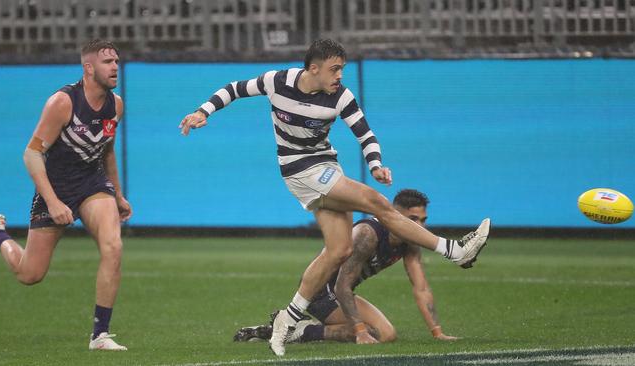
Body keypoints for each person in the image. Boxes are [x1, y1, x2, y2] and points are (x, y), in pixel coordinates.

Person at [179, 38, 490, 356]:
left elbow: (365, 134)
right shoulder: (278, 81)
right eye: (334, 69)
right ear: (313, 69)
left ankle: (289, 320)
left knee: (339, 250)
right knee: (378, 203)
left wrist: (376, 164)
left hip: (326, 165)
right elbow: (233, 89)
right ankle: (454, 251)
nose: (340, 75)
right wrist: (203, 112)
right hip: (300, 170)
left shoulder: (341, 96)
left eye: (342, 68)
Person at [0, 39, 130, 351]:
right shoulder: (62, 102)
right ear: (88, 68)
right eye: (107, 62)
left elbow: (106, 150)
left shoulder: (115, 105)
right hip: (57, 188)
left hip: (93, 183)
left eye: (116, 61)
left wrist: (117, 194)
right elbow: (31, 155)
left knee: (113, 246)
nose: (115, 66)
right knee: (30, 274)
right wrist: (53, 201)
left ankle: (99, 335)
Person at [234, 189, 458, 344]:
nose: (420, 226)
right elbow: (341, 286)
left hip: (341, 291)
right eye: (413, 219)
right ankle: (302, 331)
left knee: (383, 334)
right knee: (381, 333)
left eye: (423, 219)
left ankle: (296, 327)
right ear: (396, 215)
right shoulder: (368, 234)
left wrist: (437, 333)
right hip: (321, 291)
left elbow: (421, 288)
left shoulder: (410, 242)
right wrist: (359, 331)